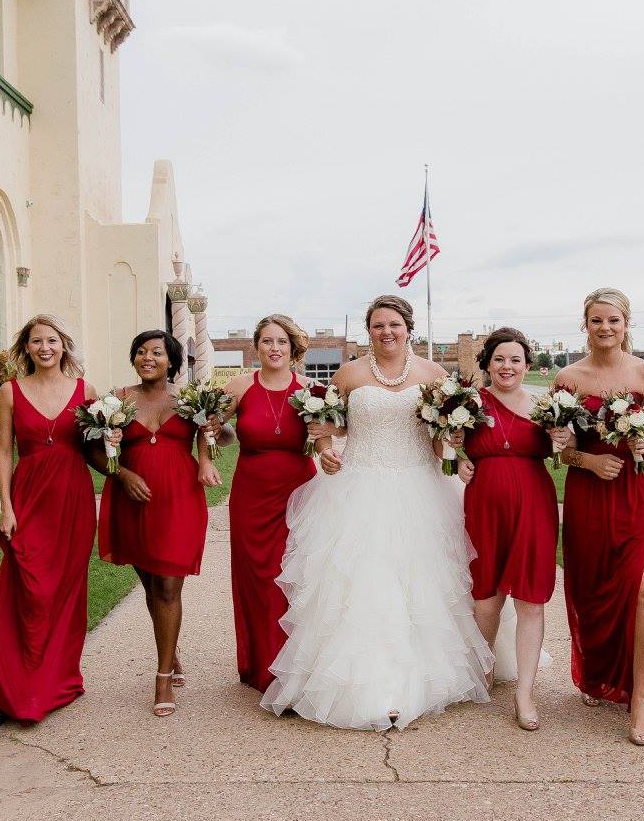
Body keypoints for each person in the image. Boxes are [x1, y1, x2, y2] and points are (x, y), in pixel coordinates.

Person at [260, 295, 493, 730]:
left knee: (421, 585)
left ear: (408, 329)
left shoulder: (434, 375)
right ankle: (371, 687)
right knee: (363, 585)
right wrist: (326, 450)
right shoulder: (349, 374)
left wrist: (456, 452)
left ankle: (427, 681)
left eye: (394, 325)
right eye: (378, 326)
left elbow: (448, 432)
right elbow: (326, 425)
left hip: (421, 488)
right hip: (359, 488)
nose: (386, 333)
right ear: (369, 331)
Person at [551, 288, 644, 746]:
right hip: (588, 491)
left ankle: (640, 699)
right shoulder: (568, 377)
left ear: (627, 324)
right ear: (584, 324)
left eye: (614, 320)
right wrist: (588, 461)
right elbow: (561, 452)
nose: (605, 328)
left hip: (637, 491)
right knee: (592, 586)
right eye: (597, 320)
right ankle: (600, 671)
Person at [96, 329, 221, 717]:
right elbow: (92, 449)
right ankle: (172, 649)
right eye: (141, 352)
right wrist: (121, 475)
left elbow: (215, 435)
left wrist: (208, 452)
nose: (148, 358)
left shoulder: (188, 400)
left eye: (157, 352)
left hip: (179, 499)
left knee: (168, 585)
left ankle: (163, 676)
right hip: (131, 500)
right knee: (150, 583)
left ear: (172, 361)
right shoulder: (116, 399)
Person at [0, 315, 101, 723]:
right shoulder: (9, 392)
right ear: (27, 348)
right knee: (31, 585)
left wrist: (117, 446)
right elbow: (3, 451)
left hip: (73, 499)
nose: (45, 348)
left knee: (67, 590)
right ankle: (20, 678)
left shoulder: (87, 392)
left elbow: (98, 453)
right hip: (29, 497)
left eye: (52, 340)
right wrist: (6, 506)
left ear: (63, 345)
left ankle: (60, 678)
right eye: (37, 341)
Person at [457, 327, 559, 731]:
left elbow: (561, 454)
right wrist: (458, 454)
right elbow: (448, 445)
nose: (507, 366)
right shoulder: (468, 404)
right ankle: (483, 670)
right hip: (484, 505)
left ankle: (525, 693)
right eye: (499, 359)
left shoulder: (544, 407)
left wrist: (561, 439)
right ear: (488, 364)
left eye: (515, 359)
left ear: (527, 366)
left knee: (531, 598)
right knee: (487, 597)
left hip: (533, 506)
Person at [221, 315, 318, 692]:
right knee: (259, 579)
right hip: (251, 496)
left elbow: (328, 431)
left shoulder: (311, 390)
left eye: (281, 342)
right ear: (256, 347)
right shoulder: (239, 387)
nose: (274, 348)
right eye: (266, 341)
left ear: (293, 349)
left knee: (296, 579)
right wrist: (208, 456)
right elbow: (210, 425)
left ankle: (298, 666)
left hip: (300, 494)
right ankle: (262, 666)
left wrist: (326, 446)